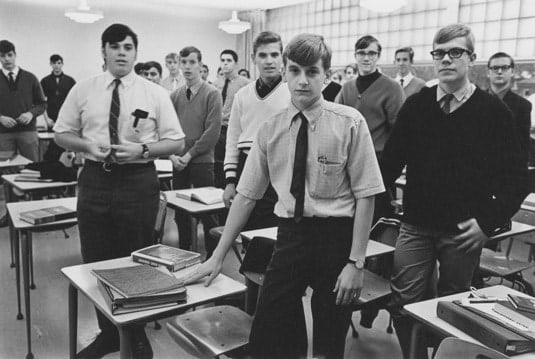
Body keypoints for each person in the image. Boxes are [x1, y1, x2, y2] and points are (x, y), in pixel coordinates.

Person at [185, 33, 384, 359]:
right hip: (291, 235)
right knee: (268, 332)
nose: (302, 81)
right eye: (295, 71)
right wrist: (218, 256)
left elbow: (367, 195)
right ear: (285, 71)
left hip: (337, 240)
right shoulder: (270, 129)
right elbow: (247, 196)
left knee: (329, 340)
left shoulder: (350, 123)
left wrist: (356, 262)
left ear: (327, 75)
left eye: (312, 72)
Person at [381, 24, 528, 359]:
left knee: (453, 307)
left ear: (471, 59)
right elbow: (389, 163)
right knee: (403, 301)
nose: (446, 59)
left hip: (464, 230)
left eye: (455, 52)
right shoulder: (417, 105)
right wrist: (379, 206)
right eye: (439, 53)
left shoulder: (493, 112)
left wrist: (487, 223)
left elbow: (516, 178)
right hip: (416, 225)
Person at [54, 23, 185, 359]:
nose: (122, 53)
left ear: (135, 52)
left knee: (136, 259)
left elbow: (177, 140)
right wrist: (85, 144)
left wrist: (142, 151)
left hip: (137, 180)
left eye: (128, 47)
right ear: (104, 51)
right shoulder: (84, 90)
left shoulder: (154, 93)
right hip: (95, 180)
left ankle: (135, 335)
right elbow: (61, 133)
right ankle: (108, 332)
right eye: (115, 47)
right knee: (96, 258)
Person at [223, 31, 289, 231]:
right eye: (263, 55)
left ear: (282, 57)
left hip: (279, 170)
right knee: (247, 228)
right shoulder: (242, 95)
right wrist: (230, 181)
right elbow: (233, 139)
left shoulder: (292, 94)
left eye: (274, 55)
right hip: (246, 166)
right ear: (253, 59)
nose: (269, 61)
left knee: (271, 230)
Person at [336, 35, 405, 223]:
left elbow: (399, 133)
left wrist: (388, 171)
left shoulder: (391, 88)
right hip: (347, 165)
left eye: (371, 53)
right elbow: (336, 124)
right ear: (355, 56)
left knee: (374, 220)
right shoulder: (347, 88)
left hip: (377, 163)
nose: (366, 58)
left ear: (378, 56)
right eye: (362, 53)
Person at [170, 46, 221, 257]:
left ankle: (212, 255)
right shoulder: (175, 95)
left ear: (200, 65)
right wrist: (173, 155)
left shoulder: (212, 93)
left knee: (207, 212)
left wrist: (189, 155)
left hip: (201, 161)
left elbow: (212, 131)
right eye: (184, 62)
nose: (188, 67)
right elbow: (169, 129)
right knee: (181, 212)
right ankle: (184, 252)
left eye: (192, 62)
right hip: (178, 161)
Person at [0, 39, 46, 163]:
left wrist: (30, 113)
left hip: (28, 132)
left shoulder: (30, 78)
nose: (7, 59)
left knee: (32, 168)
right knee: (5, 170)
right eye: (2, 56)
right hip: (3, 134)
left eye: (9, 55)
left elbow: (42, 104)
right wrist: (1, 118)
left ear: (15, 55)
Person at [487, 51, 531, 164]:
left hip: (507, 170)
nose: (499, 71)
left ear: (512, 72)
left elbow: (523, 146)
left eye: (505, 67)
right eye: (495, 68)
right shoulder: (474, 101)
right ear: (488, 72)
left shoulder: (523, 106)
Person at [214, 49, 250, 189]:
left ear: (236, 64)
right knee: (218, 166)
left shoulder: (245, 84)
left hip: (234, 129)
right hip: (218, 130)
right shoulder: (216, 84)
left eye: (228, 61)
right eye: (222, 60)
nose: (225, 64)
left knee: (233, 165)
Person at [40, 54, 76, 161]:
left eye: (59, 63)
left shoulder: (70, 81)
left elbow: (74, 102)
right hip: (51, 120)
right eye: (54, 63)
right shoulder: (45, 81)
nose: (56, 66)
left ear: (62, 64)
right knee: (52, 148)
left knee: (65, 146)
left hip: (66, 120)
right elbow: (42, 102)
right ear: (51, 64)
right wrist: (47, 119)